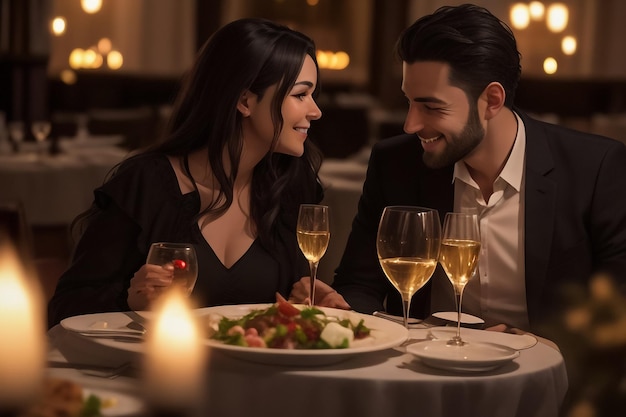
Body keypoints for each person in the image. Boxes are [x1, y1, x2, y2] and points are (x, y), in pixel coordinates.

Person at [297, 3, 626, 336]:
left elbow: (615, 315)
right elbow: (359, 284)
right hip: (425, 372)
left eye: (431, 106)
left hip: (549, 380)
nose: (410, 124)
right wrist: (342, 307)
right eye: (409, 101)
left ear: (492, 101)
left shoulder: (595, 170)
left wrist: (540, 347)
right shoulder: (395, 164)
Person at [47, 18, 324, 328]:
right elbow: (65, 310)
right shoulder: (147, 185)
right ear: (245, 101)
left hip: (260, 376)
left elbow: (291, 307)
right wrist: (129, 301)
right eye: (301, 95)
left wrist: (313, 304)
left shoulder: (292, 188)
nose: (315, 111)